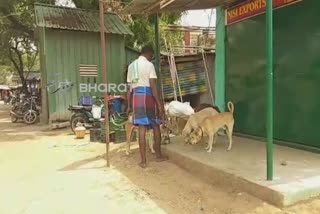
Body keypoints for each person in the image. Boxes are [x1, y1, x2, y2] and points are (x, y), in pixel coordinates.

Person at [126, 45, 168, 168]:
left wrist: (129, 105)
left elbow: (129, 89)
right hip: (148, 96)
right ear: (149, 54)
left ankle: (143, 161)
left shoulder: (131, 66)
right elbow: (153, 85)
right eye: (151, 56)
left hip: (136, 97)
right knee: (155, 125)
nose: (151, 58)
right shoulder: (149, 65)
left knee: (142, 128)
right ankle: (159, 155)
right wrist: (159, 104)